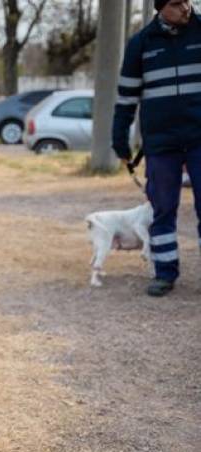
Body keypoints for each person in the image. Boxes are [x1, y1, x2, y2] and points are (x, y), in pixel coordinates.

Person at [112, 0, 201, 297]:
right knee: (161, 210)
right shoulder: (140, 44)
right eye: (177, 3)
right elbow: (126, 98)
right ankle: (164, 272)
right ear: (161, 7)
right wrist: (119, 139)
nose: (186, 8)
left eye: (187, 1)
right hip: (161, 144)